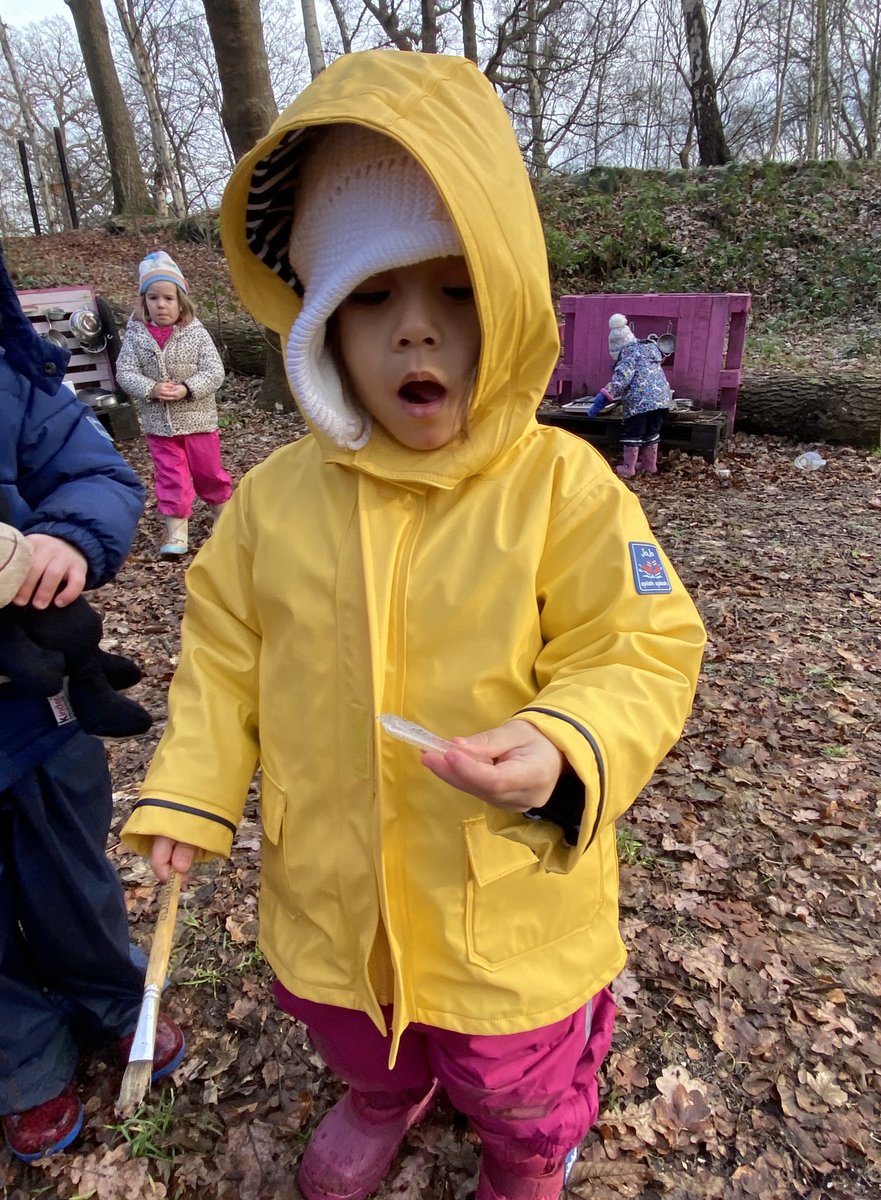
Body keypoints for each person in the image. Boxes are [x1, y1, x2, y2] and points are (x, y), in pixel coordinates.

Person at [121, 51, 706, 1200]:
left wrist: (564, 741)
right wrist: (191, 788)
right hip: (329, 895)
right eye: (373, 299)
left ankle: (534, 1144)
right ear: (321, 329)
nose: (416, 335)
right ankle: (386, 1093)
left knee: (513, 1071)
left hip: (502, 908)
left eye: (454, 292)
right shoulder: (278, 503)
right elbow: (224, 658)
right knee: (346, 1024)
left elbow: (638, 644)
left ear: (511, 305)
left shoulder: (563, 492)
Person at [0, 244, 185, 1163]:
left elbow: (100, 474)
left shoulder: (10, 381)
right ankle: (25, 1061)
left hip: (36, 706)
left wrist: (67, 537)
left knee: (74, 874)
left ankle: (113, 998)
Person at [115, 250, 232, 559]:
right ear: (144, 302)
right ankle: (176, 528)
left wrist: (187, 388)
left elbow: (214, 371)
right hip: (159, 426)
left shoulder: (195, 332)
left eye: (168, 298)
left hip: (199, 422)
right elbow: (125, 372)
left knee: (208, 472)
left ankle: (224, 511)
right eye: (153, 298)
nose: (161, 305)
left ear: (181, 301)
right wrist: (151, 388)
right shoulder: (136, 335)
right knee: (171, 476)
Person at [588, 313, 672, 477]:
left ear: (617, 349)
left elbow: (621, 379)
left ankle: (628, 467)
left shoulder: (628, 355)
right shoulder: (650, 349)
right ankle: (649, 465)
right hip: (661, 400)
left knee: (633, 433)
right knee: (651, 432)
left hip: (640, 403)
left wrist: (604, 396)